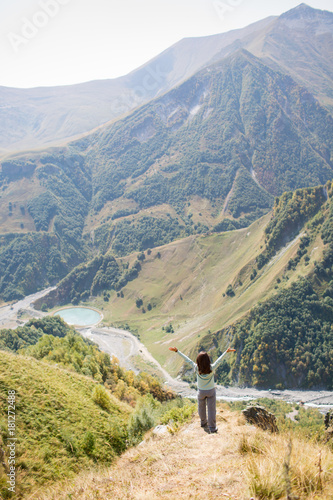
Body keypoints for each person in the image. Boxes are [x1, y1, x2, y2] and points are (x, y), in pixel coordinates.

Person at [169, 346, 236, 433]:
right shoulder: (212, 368)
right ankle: (212, 427)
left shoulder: (197, 368)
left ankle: (203, 422)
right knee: (211, 409)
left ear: (198, 361)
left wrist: (177, 351)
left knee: (201, 407)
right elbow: (219, 360)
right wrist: (226, 352)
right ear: (208, 360)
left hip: (201, 391)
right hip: (211, 391)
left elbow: (187, 360)